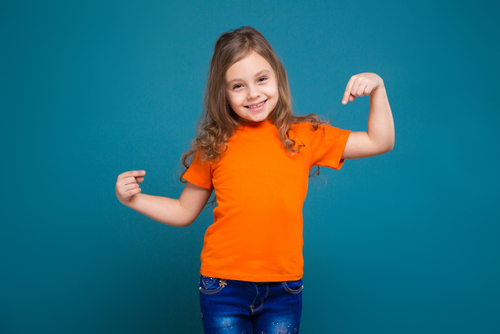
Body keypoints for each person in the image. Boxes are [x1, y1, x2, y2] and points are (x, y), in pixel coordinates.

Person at [115, 26, 394, 334]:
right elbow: (183, 212)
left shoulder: (305, 136)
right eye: (238, 85)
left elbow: (379, 141)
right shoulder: (214, 146)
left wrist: (378, 88)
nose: (253, 94)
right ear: (223, 92)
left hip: (283, 288)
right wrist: (135, 199)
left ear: (278, 77)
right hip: (222, 286)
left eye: (261, 79)